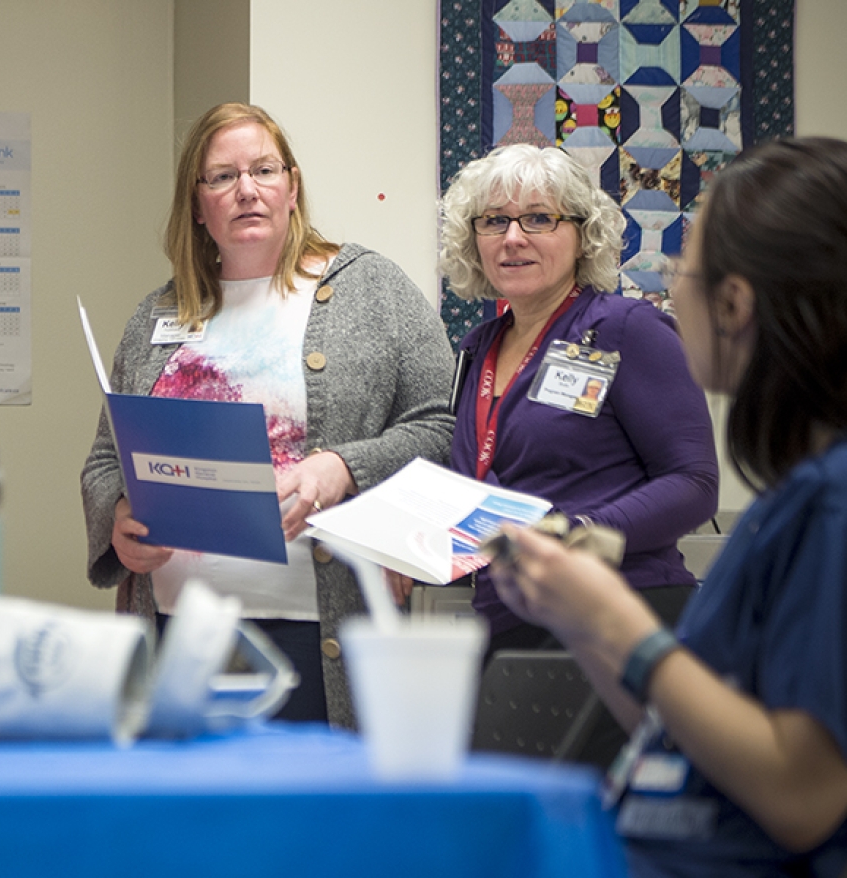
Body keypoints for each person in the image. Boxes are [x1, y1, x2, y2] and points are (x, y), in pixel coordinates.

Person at [489, 137, 847, 877]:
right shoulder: (796, 500)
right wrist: (582, 622)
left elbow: (803, 795)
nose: (671, 287)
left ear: (734, 302)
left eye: (684, 266)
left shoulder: (831, 508)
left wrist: (614, 619)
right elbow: (684, 730)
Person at [80, 103, 455, 728]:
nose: (246, 189)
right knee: (198, 823)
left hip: (318, 636)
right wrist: (118, 521)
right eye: (222, 177)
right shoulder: (157, 314)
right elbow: (104, 458)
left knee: (311, 821)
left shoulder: (372, 288)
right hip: (180, 634)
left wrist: (342, 467)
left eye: (263, 170)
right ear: (197, 204)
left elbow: (444, 425)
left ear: (292, 187)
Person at [438, 143, 719, 659]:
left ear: (582, 234)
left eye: (539, 218)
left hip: (618, 615)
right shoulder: (478, 347)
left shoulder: (625, 329)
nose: (513, 238)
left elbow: (695, 483)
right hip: (507, 626)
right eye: (494, 221)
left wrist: (580, 532)